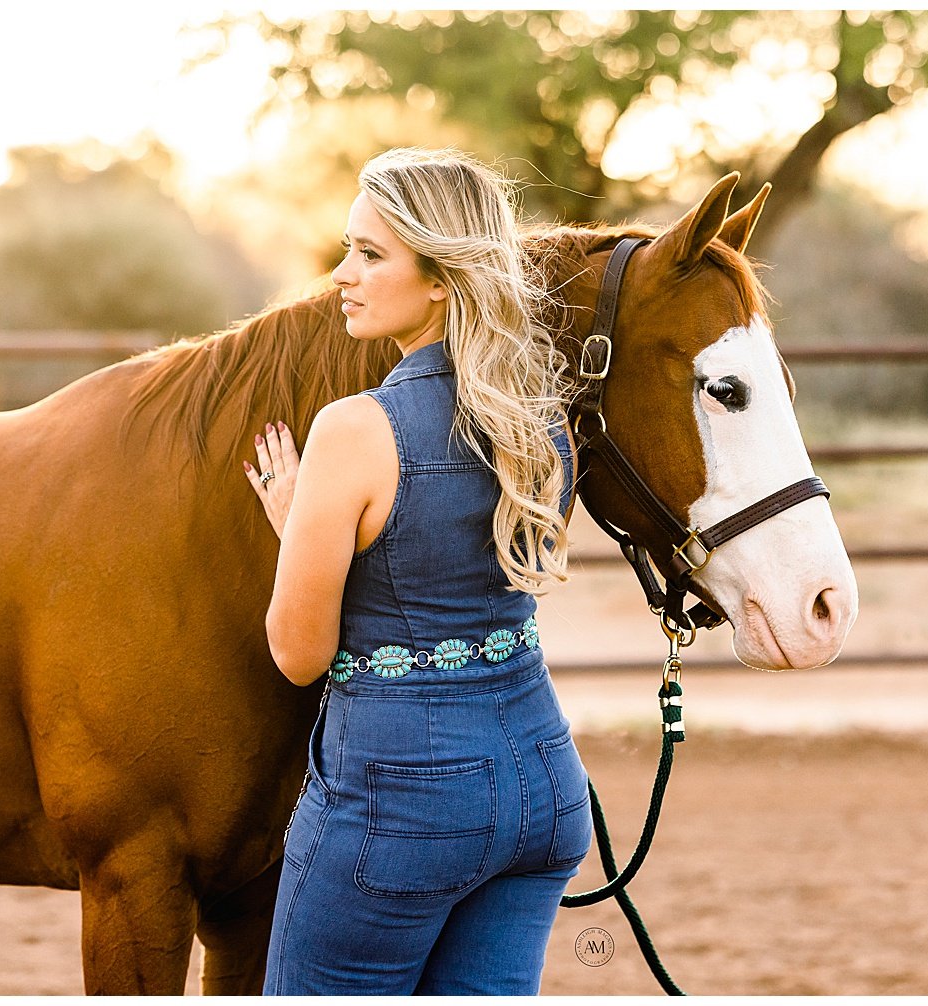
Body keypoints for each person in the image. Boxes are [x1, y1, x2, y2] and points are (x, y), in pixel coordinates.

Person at [242, 147, 588, 995]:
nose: (340, 275)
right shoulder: (541, 424)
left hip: (405, 803)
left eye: (370, 254)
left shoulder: (356, 430)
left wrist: (301, 532)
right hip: (543, 787)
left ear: (441, 276)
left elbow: (298, 654)